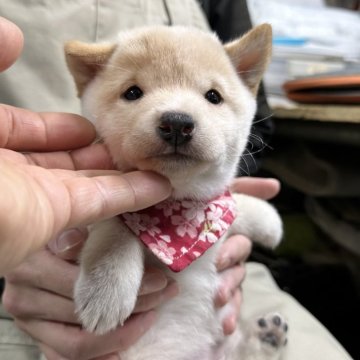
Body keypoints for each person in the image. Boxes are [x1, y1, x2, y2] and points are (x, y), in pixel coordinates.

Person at [0, 1, 353, 359]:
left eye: (211, 95)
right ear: (89, 77)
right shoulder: (88, 183)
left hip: (228, 285)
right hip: (39, 298)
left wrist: (230, 209)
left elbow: (257, 130)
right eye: (134, 92)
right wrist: (16, 247)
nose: (177, 120)